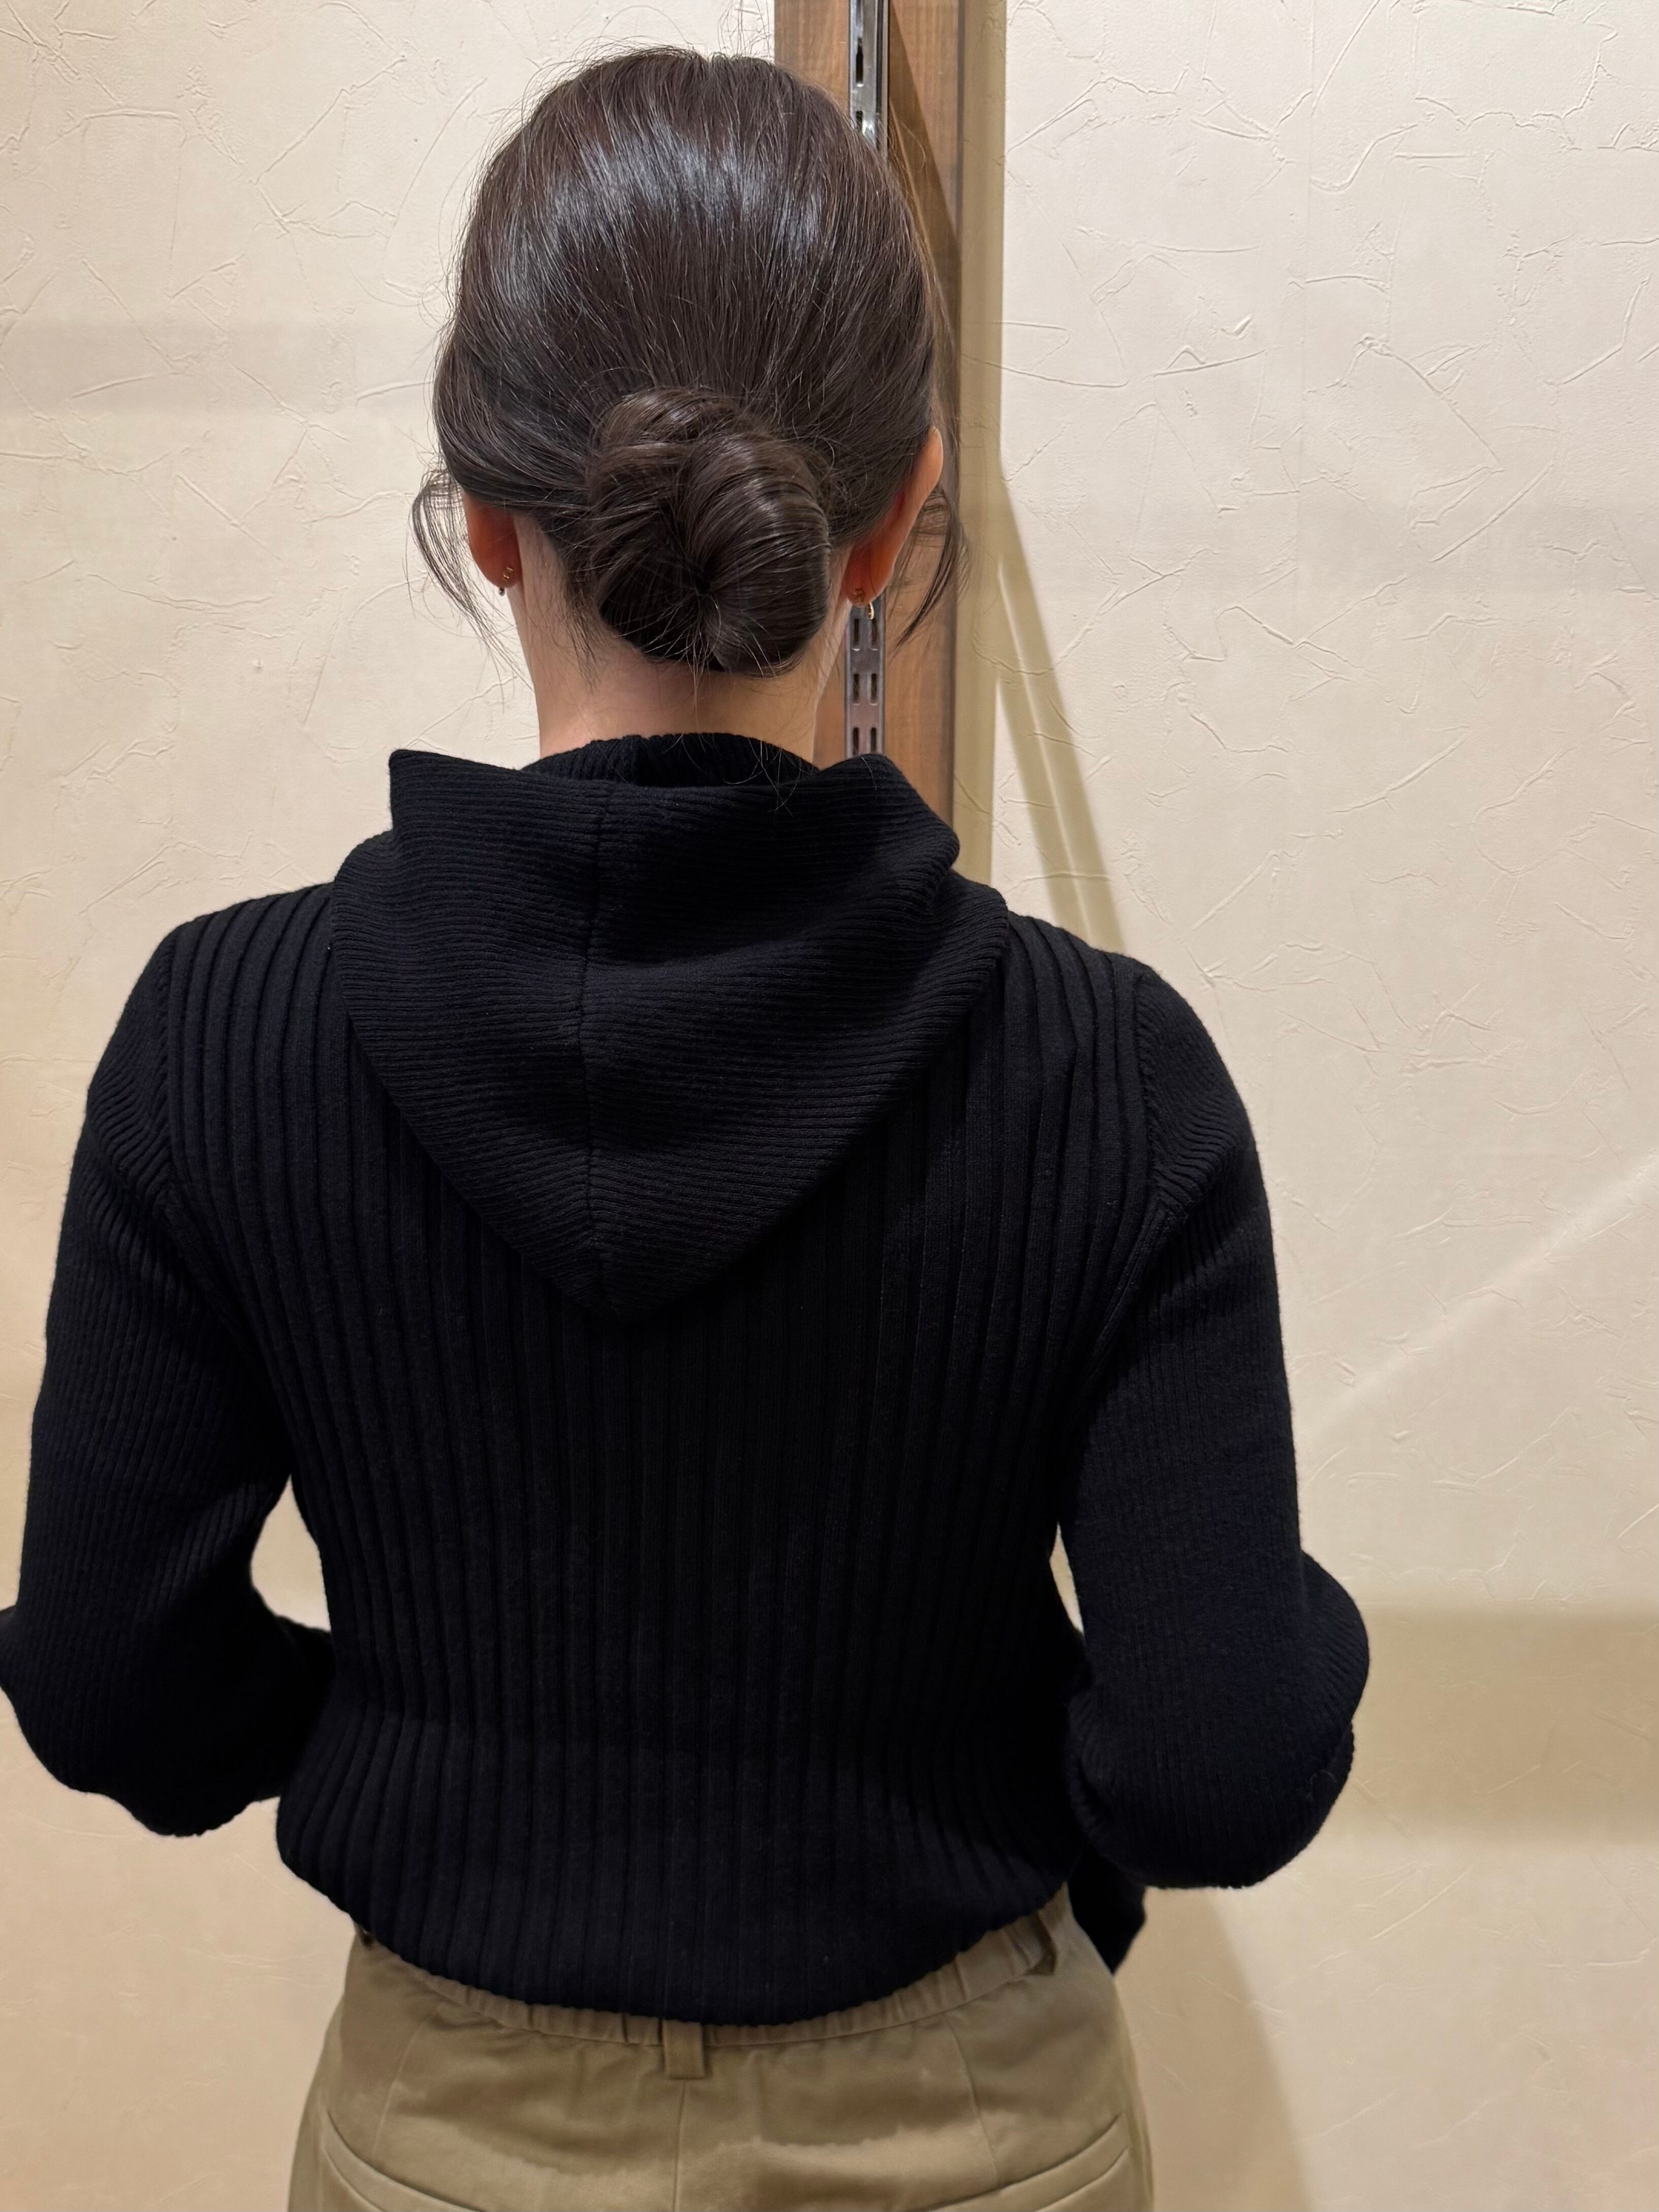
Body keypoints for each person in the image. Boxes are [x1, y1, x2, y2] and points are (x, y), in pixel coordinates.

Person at [0, 46, 1369, 2212]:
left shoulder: (222, 1040)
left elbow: (107, 1688)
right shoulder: (1104, 1077)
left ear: (483, 516)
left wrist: (409, 1745)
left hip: (443, 2144)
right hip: (977, 2139)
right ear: (895, 521)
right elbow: (1221, 1763)